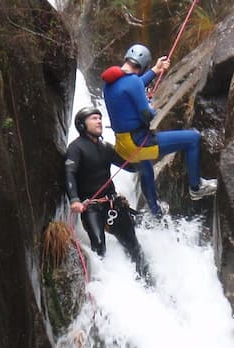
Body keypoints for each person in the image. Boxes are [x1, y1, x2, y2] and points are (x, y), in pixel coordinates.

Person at [101, 43, 217, 204]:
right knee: (193, 139)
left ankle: (155, 213)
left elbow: (133, 86)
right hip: (138, 144)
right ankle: (196, 188)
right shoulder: (132, 81)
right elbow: (147, 115)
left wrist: (156, 70)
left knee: (147, 170)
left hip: (123, 145)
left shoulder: (110, 83)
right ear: (142, 66)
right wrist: (150, 104)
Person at [65, 106, 149, 279]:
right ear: (82, 125)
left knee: (133, 244)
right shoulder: (76, 148)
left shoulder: (105, 147)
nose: (99, 121)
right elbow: (69, 173)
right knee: (98, 244)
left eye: (100, 118)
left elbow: (130, 166)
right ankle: (101, 286)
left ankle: (147, 281)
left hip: (112, 204)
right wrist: (74, 199)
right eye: (94, 118)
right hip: (91, 207)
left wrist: (141, 151)